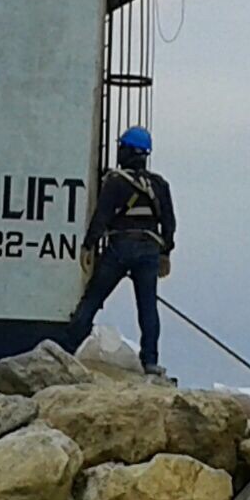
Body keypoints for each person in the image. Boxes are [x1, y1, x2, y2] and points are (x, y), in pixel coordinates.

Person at [65, 126, 176, 376]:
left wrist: (88, 246)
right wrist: (166, 252)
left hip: (120, 246)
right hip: (149, 249)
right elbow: (169, 222)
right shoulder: (159, 184)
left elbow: (101, 216)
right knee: (147, 306)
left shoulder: (116, 182)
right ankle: (150, 360)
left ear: (125, 150)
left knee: (93, 297)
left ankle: (69, 349)